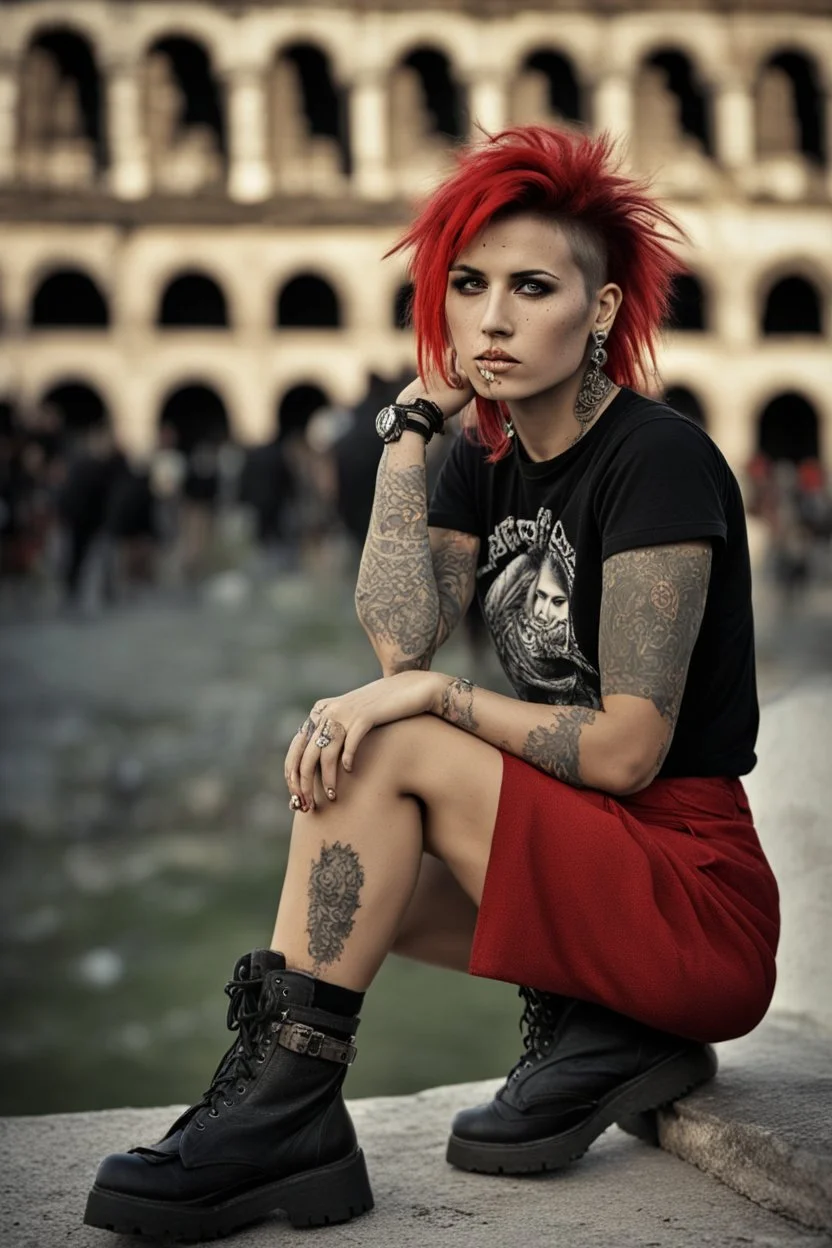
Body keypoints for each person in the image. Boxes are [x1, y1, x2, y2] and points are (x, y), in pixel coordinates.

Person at [84, 126, 779, 1240]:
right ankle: (376, 1072)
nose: (492, 318)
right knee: (354, 857)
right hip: (599, 871)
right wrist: (410, 432)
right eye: (467, 285)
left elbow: (626, 752)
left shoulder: (658, 457)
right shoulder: (479, 456)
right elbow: (400, 641)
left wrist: (436, 703)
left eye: (532, 286)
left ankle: (284, 1111)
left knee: (389, 740)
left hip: (692, 893)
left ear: (599, 312)